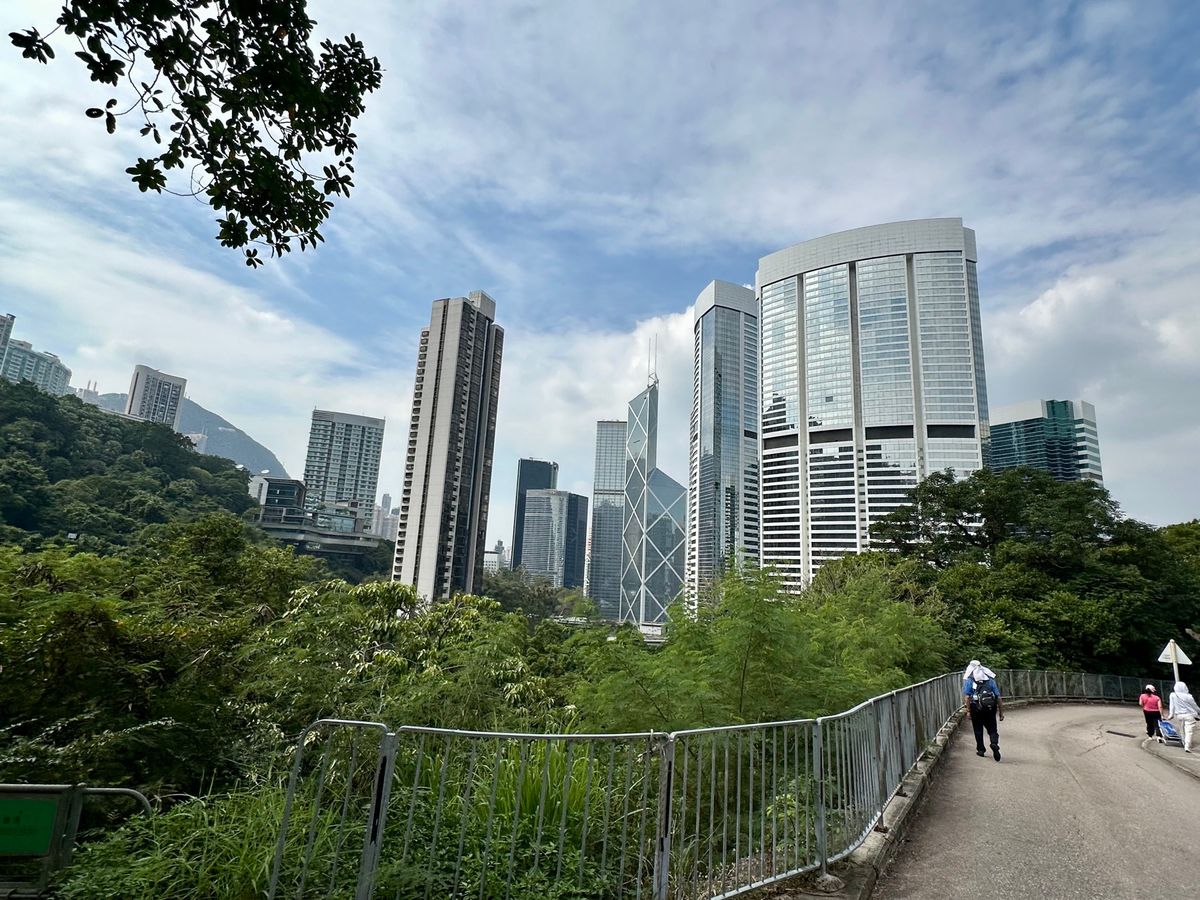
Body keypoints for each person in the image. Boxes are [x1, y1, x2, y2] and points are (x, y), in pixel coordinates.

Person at [963, 660, 1004, 761]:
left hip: (976, 708)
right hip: (990, 707)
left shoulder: (970, 680)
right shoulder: (990, 680)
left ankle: (981, 750)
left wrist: (968, 711)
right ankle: (994, 743)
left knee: (978, 729)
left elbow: (967, 697)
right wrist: (1001, 712)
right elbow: (998, 697)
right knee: (992, 728)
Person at [1167, 681, 1200, 753]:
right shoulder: (1189, 696)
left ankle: (1183, 742)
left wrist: (1171, 715)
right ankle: (1187, 746)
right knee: (1189, 731)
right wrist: (1199, 711)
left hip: (1179, 716)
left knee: (1181, 730)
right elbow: (1194, 706)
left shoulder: (1173, 695)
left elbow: (1172, 706)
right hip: (1189, 715)